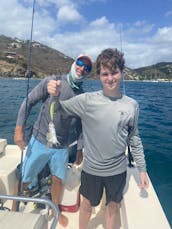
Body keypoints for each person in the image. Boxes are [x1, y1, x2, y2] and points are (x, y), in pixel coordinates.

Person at [47, 48, 149, 229]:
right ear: (99, 76)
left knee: (112, 206)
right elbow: (59, 110)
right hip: (91, 170)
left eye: (114, 72)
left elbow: (134, 138)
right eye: (105, 74)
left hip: (117, 171)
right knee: (86, 205)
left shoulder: (132, 105)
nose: (110, 78)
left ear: (122, 72)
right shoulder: (86, 100)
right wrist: (54, 95)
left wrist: (142, 169)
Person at [13, 54, 93, 227]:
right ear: (73, 64)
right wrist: (18, 130)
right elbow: (28, 103)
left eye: (87, 68)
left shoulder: (82, 96)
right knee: (25, 176)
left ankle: (54, 209)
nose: (82, 68)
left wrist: (80, 148)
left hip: (62, 146)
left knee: (58, 179)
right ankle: (14, 208)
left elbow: (81, 125)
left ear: (88, 73)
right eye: (80, 63)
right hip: (40, 140)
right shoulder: (53, 81)